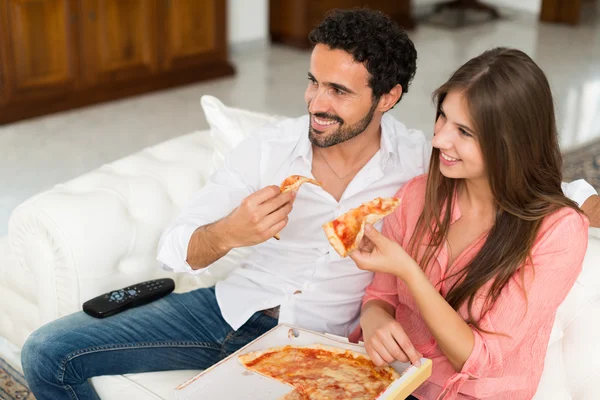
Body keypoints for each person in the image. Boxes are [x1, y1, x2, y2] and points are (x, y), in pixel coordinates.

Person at [20, 9, 598, 400]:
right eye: (312, 82)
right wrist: (230, 232)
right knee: (49, 352)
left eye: (339, 92)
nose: (315, 104)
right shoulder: (275, 150)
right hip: (232, 309)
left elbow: (536, 191)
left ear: (389, 98)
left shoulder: (419, 164)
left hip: (324, 341)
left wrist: (588, 202)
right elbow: (180, 247)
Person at [350, 48, 589, 400]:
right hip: (392, 385)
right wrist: (375, 319)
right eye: (442, 117)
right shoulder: (417, 195)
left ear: (510, 144)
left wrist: (410, 272)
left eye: (464, 131)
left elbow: (478, 359)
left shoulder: (558, 232)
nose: (439, 139)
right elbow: (380, 295)